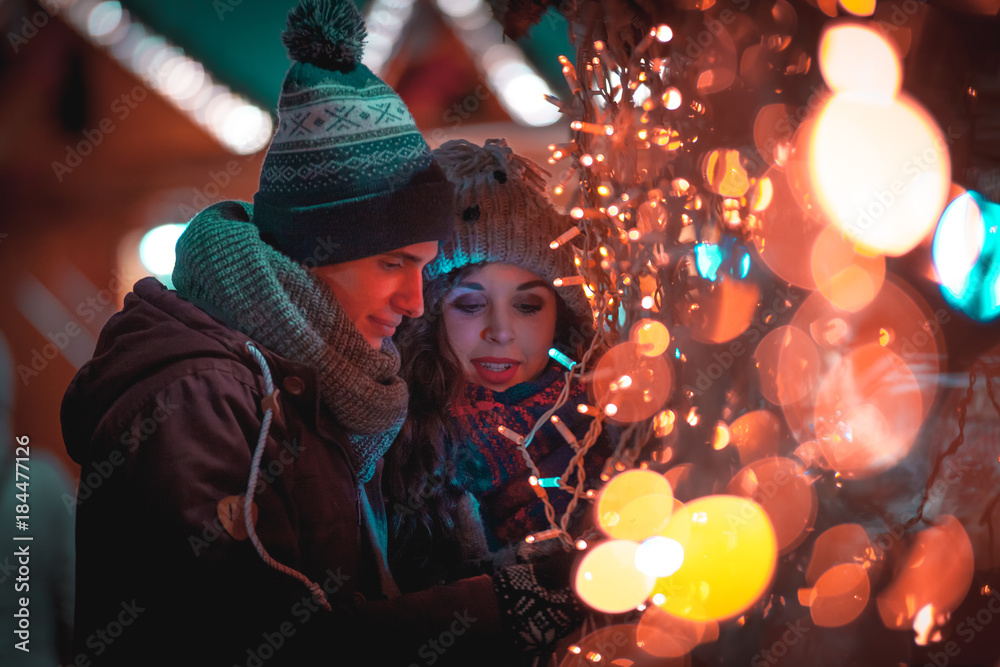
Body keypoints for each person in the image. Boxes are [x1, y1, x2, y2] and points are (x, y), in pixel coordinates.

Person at [60, 3, 581, 665]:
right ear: (313, 247)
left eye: (423, 268)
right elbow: (270, 642)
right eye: (392, 263)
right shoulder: (200, 394)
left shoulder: (325, 380)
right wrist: (509, 602)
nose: (414, 301)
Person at [386, 140, 609, 651]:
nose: (501, 332)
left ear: (562, 315)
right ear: (431, 311)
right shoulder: (392, 438)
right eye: (470, 304)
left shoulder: (613, 421)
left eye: (528, 306)